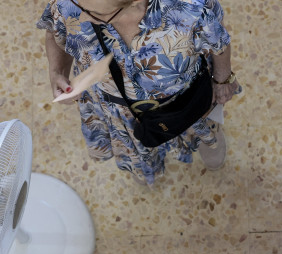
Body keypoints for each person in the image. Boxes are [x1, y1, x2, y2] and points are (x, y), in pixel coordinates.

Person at [37, 0, 241, 185]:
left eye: (91, 13)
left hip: (186, 100)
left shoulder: (190, 7)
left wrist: (222, 80)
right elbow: (55, 31)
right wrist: (56, 73)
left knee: (203, 128)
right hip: (119, 113)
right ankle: (145, 166)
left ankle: (208, 142)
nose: (77, 16)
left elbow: (218, 41)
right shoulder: (72, 4)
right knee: (140, 155)